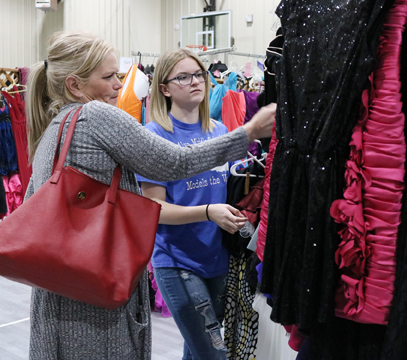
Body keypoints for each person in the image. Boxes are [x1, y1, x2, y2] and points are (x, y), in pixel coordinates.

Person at [25, 31, 276, 360]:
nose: (120, 84)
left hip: (64, 286)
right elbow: (176, 162)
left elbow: (33, 203)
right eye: (110, 76)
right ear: (75, 85)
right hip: (98, 287)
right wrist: (249, 132)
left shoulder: (54, 129)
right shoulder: (97, 116)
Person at [135, 48, 250, 360]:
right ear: (165, 88)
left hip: (217, 256)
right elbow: (154, 209)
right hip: (177, 260)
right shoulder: (154, 136)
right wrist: (209, 213)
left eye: (199, 74)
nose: (195, 81)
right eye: (183, 77)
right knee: (213, 353)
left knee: (197, 351)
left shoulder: (219, 132)